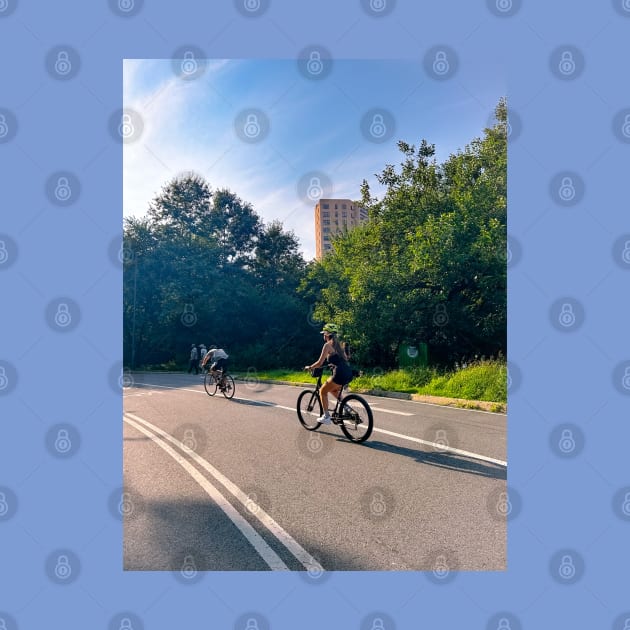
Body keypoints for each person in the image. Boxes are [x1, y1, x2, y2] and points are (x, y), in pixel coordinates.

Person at [304, 323, 353, 424]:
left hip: (339, 374)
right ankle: (347, 408)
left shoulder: (327, 345)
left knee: (322, 391)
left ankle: (326, 417)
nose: (323, 335)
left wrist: (310, 367)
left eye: (324, 333)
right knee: (333, 390)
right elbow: (344, 359)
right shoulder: (339, 344)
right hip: (348, 373)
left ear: (326, 334)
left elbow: (319, 363)